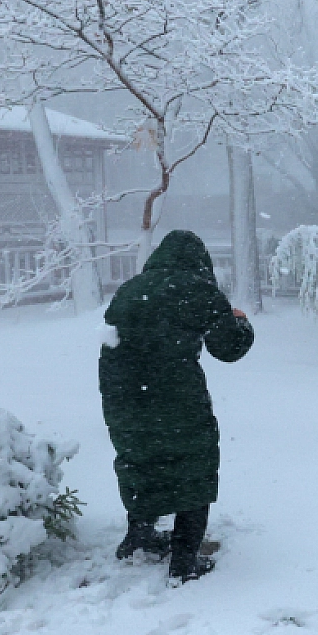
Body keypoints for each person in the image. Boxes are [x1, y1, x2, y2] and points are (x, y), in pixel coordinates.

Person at [99, 229, 254, 582]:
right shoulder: (199, 290)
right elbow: (228, 348)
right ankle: (185, 560)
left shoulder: (130, 290)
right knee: (192, 464)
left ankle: (139, 537)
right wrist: (240, 322)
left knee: (139, 459)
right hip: (176, 398)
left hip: (122, 396)